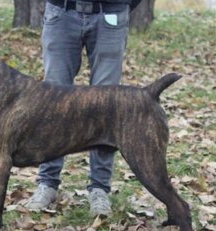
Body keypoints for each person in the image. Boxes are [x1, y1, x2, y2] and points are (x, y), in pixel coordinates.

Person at [26, 0, 142, 216]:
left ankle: (99, 188)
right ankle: (47, 183)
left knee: (105, 107)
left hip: (111, 14)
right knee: (53, 105)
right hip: (61, 13)